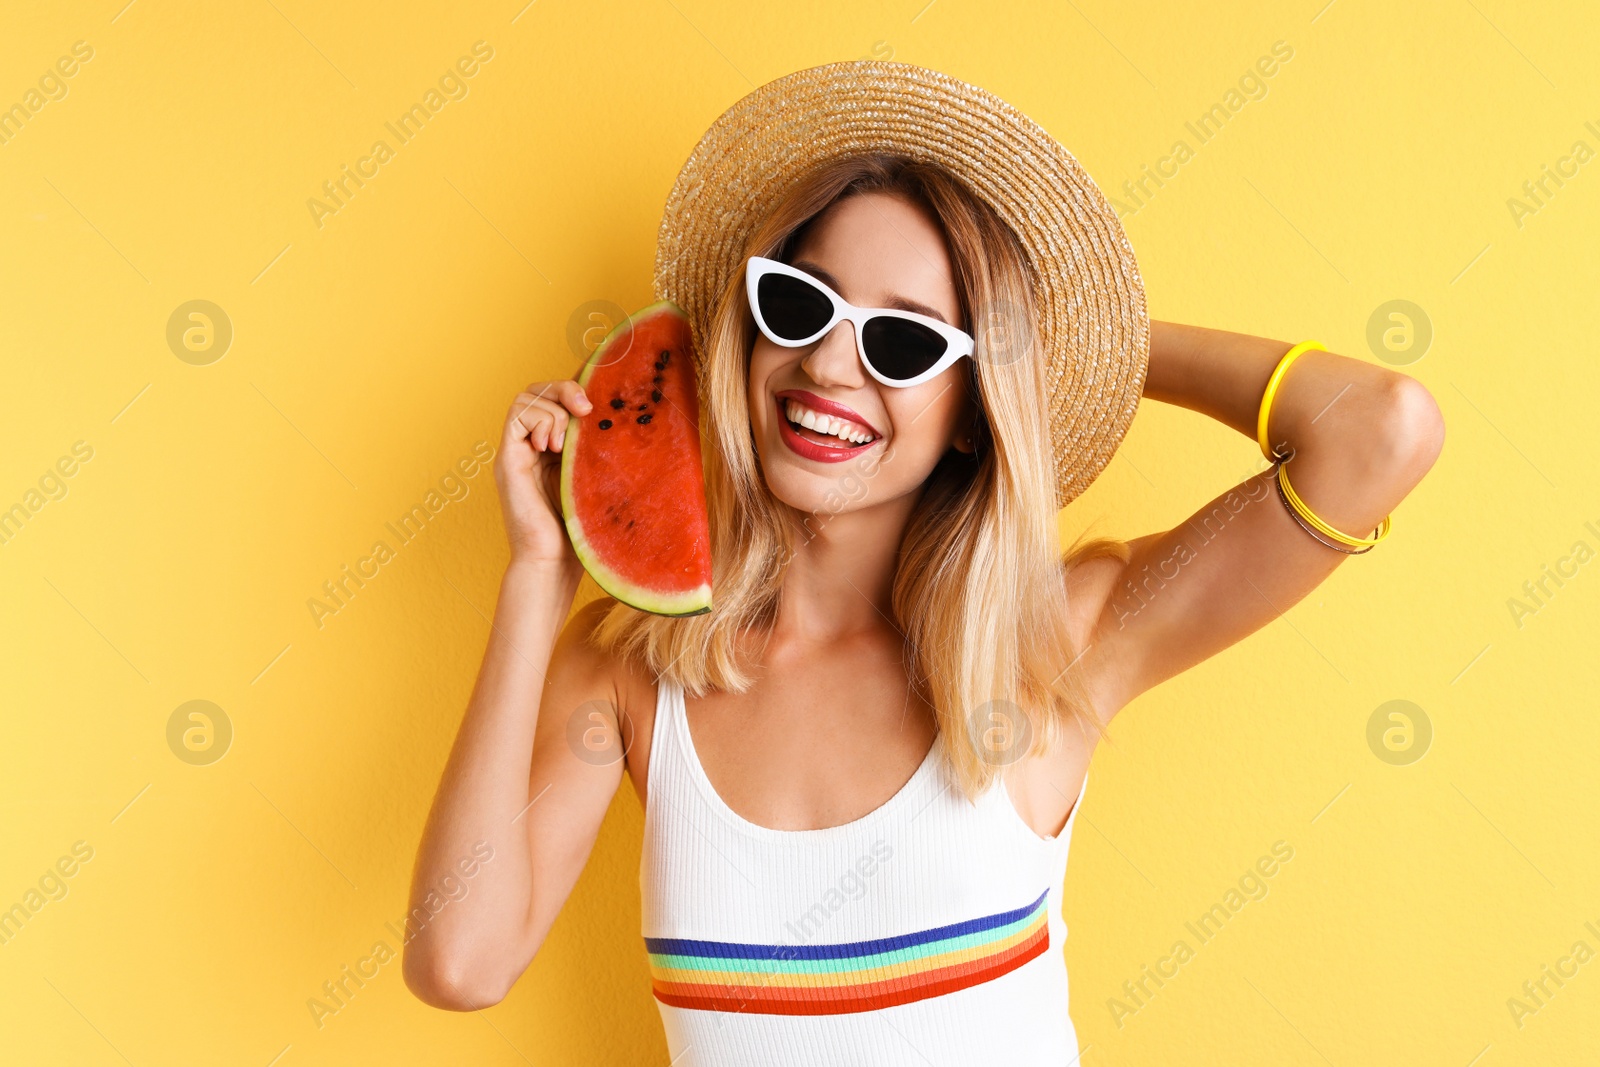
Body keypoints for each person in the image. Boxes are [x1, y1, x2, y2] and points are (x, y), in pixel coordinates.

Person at [400, 61, 1444, 1065]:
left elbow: (1380, 432)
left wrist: (1072, 344)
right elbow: (459, 959)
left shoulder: (1060, 645)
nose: (827, 365)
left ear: (970, 404)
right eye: (798, 307)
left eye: (904, 343)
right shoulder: (633, 670)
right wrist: (537, 576)